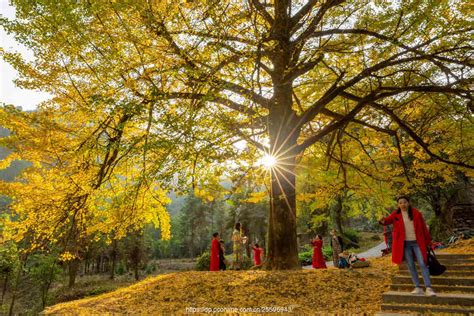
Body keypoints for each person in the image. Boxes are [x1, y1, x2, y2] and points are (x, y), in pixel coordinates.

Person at [379, 196, 436, 296]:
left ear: (408, 203)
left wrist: (428, 242)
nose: (403, 204)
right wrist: (382, 220)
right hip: (405, 244)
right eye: (400, 203)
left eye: (404, 202)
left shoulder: (416, 213)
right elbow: (387, 221)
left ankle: (428, 288)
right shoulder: (396, 214)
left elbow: (424, 228)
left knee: (423, 263)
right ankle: (418, 287)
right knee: (410, 265)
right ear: (398, 205)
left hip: (417, 243)